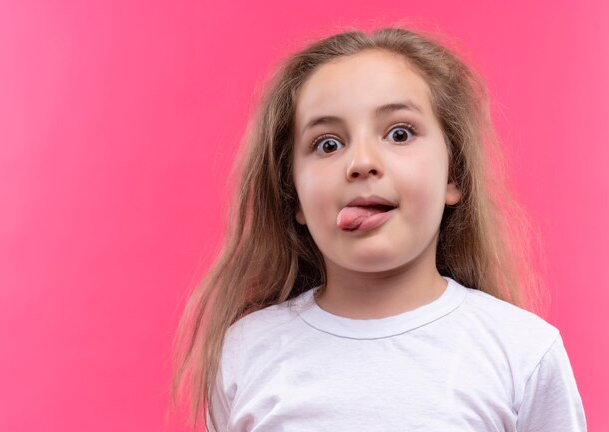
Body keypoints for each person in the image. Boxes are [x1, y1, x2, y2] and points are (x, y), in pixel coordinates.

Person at [169, 26, 587, 431]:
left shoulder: (524, 352)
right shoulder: (247, 351)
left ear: (452, 176)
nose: (361, 162)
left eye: (399, 133)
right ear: (293, 194)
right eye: (328, 144)